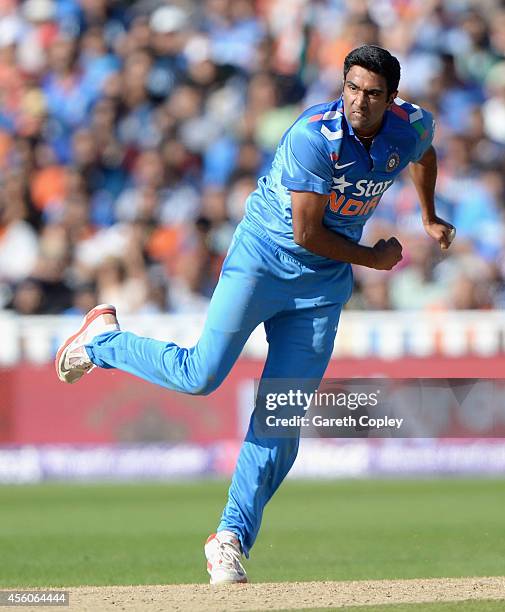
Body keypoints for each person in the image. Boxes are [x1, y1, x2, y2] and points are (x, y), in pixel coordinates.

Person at [55, 45, 455, 585]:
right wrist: (376, 259)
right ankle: (104, 340)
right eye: (353, 89)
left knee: (282, 417)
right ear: (343, 86)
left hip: (320, 285)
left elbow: (423, 155)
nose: (360, 102)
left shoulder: (411, 125)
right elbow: (306, 234)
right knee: (201, 375)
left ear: (393, 97)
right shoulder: (314, 137)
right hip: (263, 261)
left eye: (374, 94)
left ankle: (229, 540)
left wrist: (429, 216)